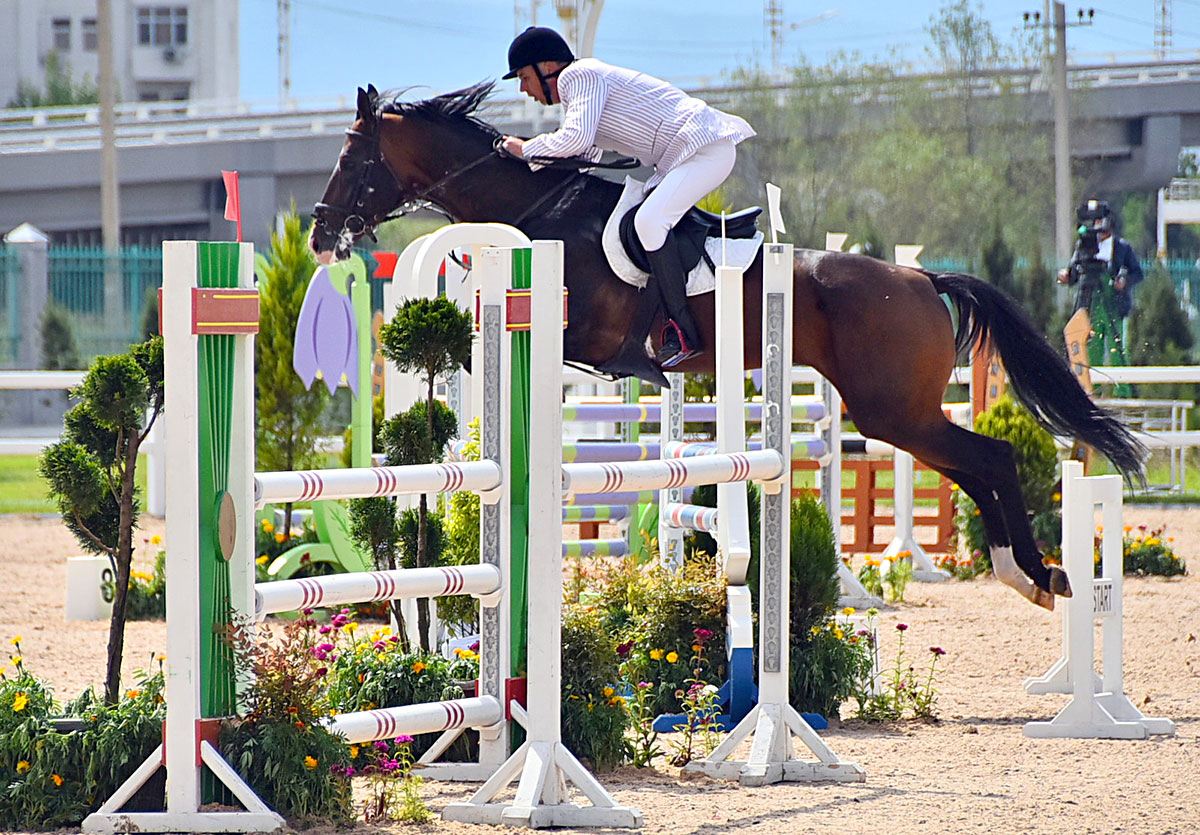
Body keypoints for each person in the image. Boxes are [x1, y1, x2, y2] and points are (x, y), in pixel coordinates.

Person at [499, 26, 755, 368]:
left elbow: (574, 141)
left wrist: (525, 148)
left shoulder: (579, 75)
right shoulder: (580, 91)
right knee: (644, 218)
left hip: (703, 149)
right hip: (686, 155)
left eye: (523, 76)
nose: (522, 88)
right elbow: (584, 158)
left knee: (649, 223)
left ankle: (683, 332)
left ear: (546, 67)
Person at [1057, 199, 1143, 319]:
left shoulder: (1123, 247)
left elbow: (1138, 273)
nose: (1095, 224)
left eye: (1099, 220)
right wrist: (1066, 276)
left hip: (1114, 305)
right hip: (1087, 302)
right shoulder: (1083, 245)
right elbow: (1074, 270)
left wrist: (1124, 282)